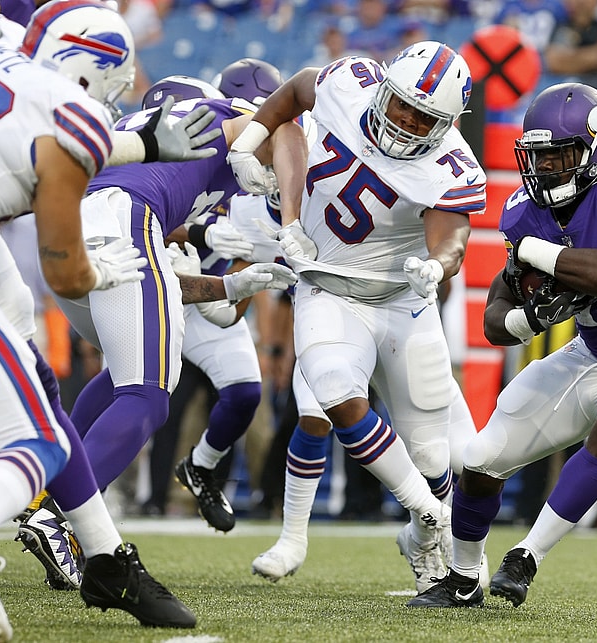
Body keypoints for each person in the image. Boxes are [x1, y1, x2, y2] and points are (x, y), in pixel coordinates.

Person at [0, 1, 227, 638]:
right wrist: (101, 274)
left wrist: (138, 143)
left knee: (35, 374)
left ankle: (108, 561)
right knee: (40, 442)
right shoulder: (75, 114)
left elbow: (47, 126)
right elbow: (65, 271)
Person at [407, 81, 597, 608]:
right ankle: (465, 577)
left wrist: (537, 252)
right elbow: (495, 320)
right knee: (480, 459)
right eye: (539, 158)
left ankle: (526, 557)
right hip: (587, 356)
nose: (549, 170)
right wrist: (529, 319)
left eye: (562, 156)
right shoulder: (524, 210)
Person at [229, 40, 486, 592]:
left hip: (402, 301)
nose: (406, 120)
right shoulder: (349, 82)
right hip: (329, 290)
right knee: (333, 390)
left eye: (425, 116)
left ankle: (423, 543)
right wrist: (248, 143)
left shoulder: (452, 166)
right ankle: (424, 512)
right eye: (400, 103)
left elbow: (453, 238)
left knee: (434, 454)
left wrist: (438, 268)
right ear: (384, 86)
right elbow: (298, 88)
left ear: (450, 123)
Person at [51, 62, 303, 506]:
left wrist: (229, 287)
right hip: (127, 222)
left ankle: (48, 499)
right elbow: (282, 123)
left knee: (124, 374)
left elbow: (162, 284)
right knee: (148, 394)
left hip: (71, 230)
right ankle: (65, 513)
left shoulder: (143, 145)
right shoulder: (226, 116)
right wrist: (292, 219)